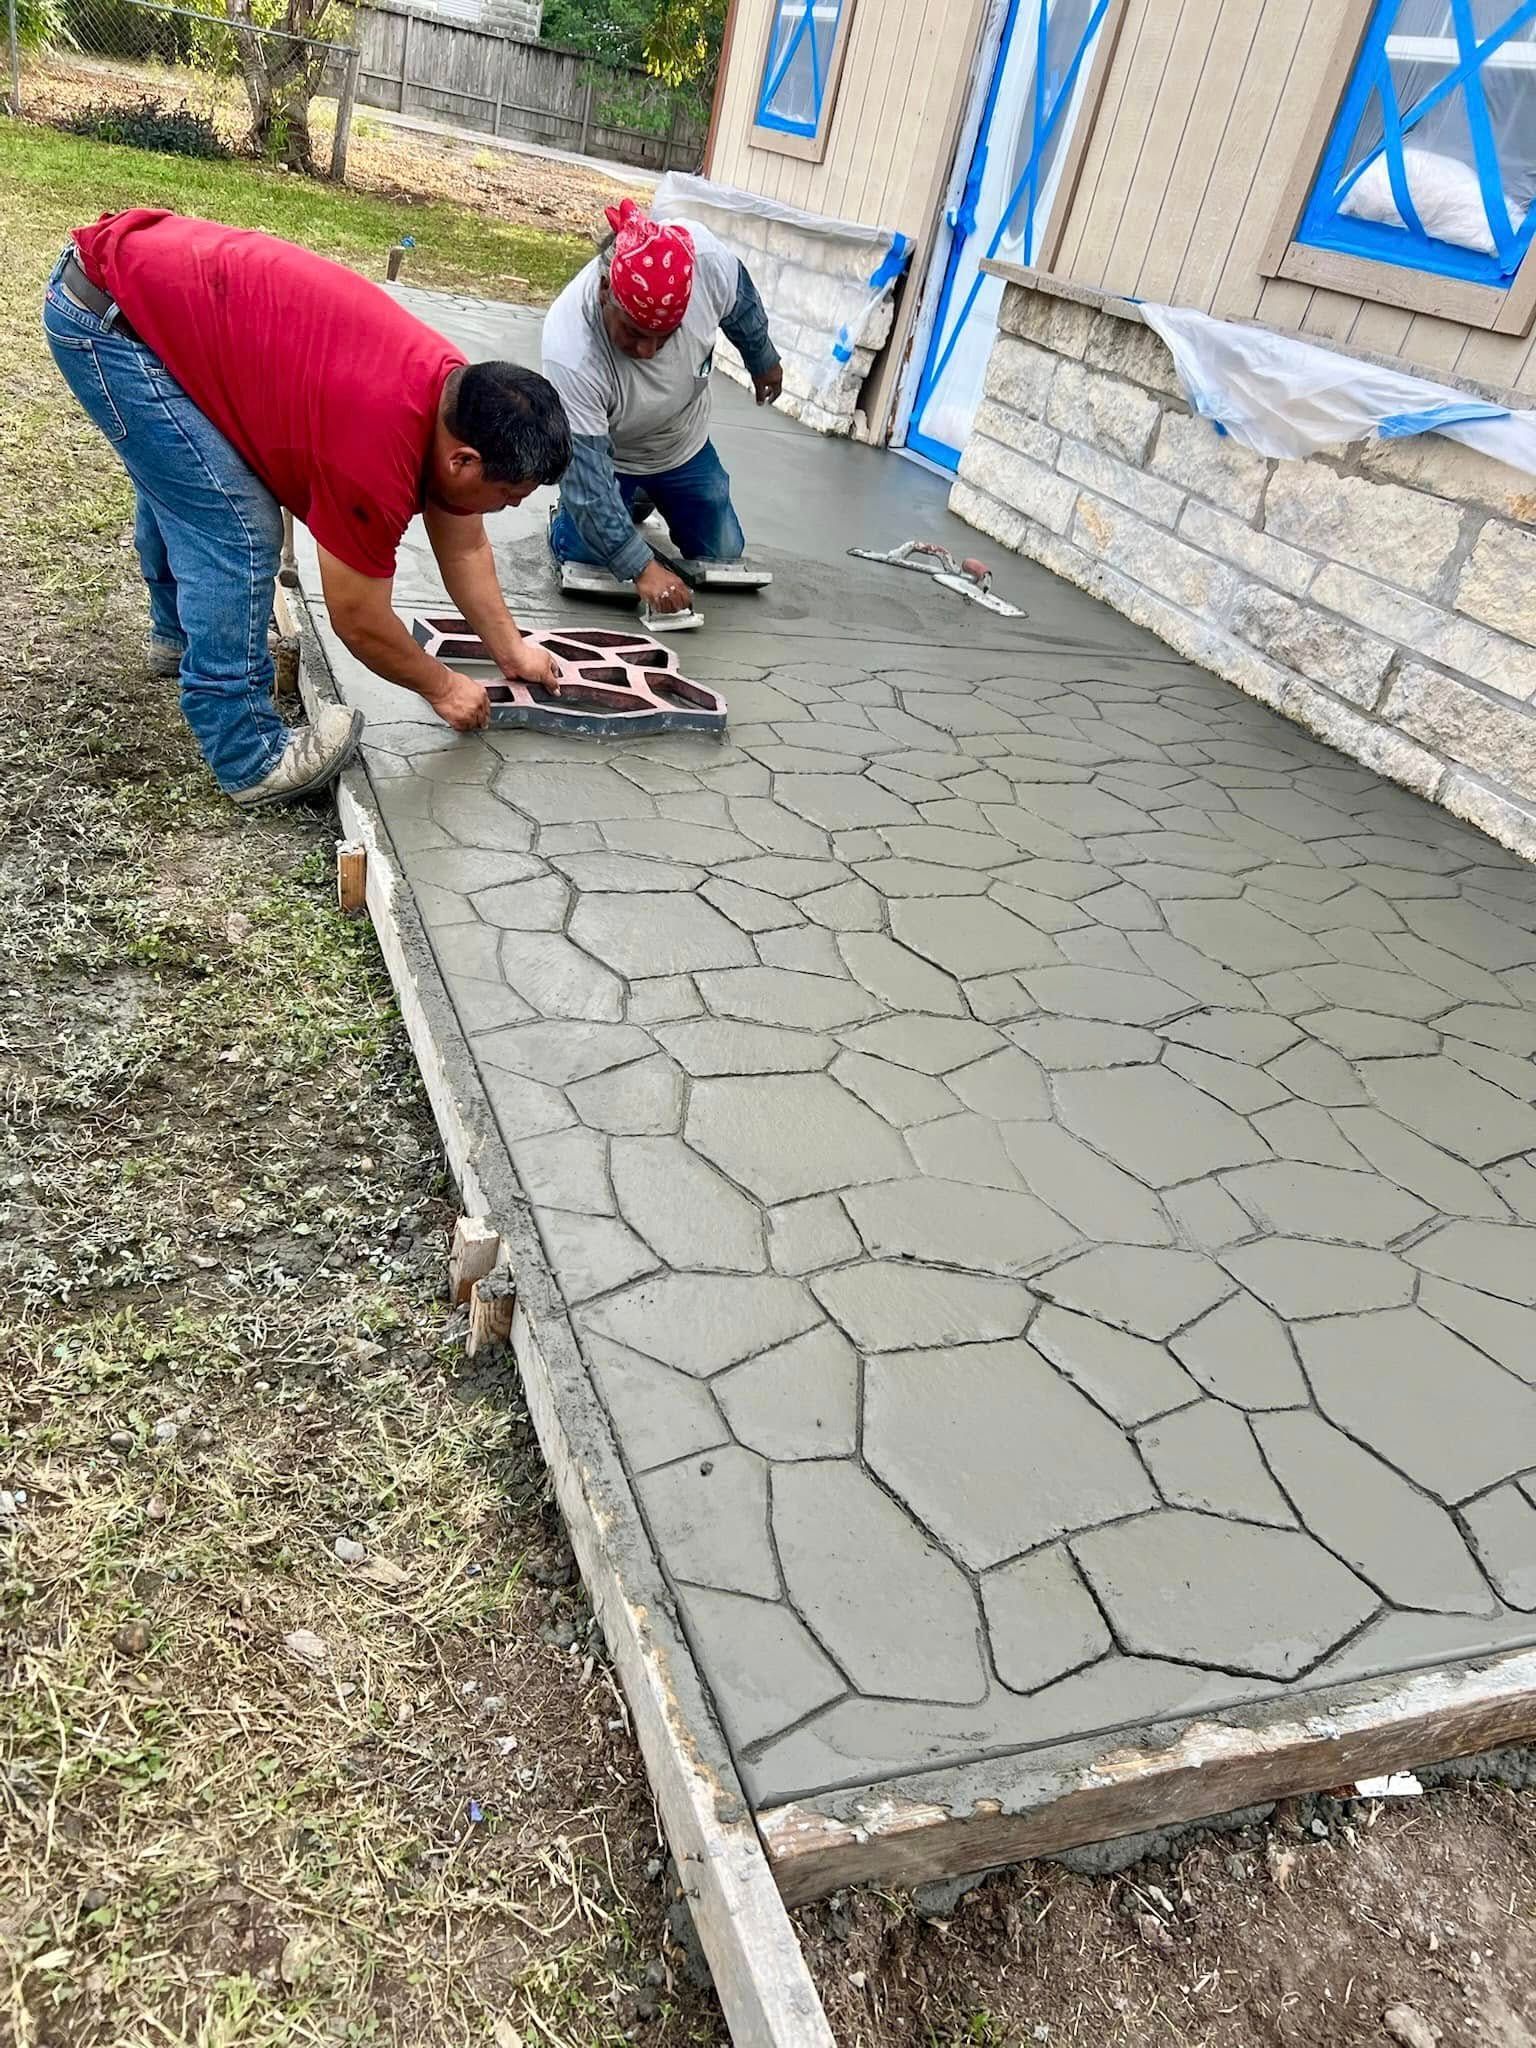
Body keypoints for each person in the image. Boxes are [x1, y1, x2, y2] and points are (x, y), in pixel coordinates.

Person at [44, 211, 572, 808]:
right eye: (509, 496)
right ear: (465, 463)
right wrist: (443, 685)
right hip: (111, 325)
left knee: (186, 481)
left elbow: (465, 540)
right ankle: (248, 754)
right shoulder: (374, 452)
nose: (506, 510)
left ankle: (179, 636)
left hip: (145, 297)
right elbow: (358, 618)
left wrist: (511, 650)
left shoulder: (460, 395)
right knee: (236, 526)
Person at [541, 198, 782, 617]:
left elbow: (739, 297)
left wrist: (762, 358)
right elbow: (588, 475)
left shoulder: (702, 260)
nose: (648, 351)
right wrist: (642, 568)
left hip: (678, 442)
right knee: (590, 557)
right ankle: (574, 516)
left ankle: (638, 499)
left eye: (664, 336)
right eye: (633, 333)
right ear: (604, 292)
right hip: (608, 457)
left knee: (723, 553)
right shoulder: (571, 350)